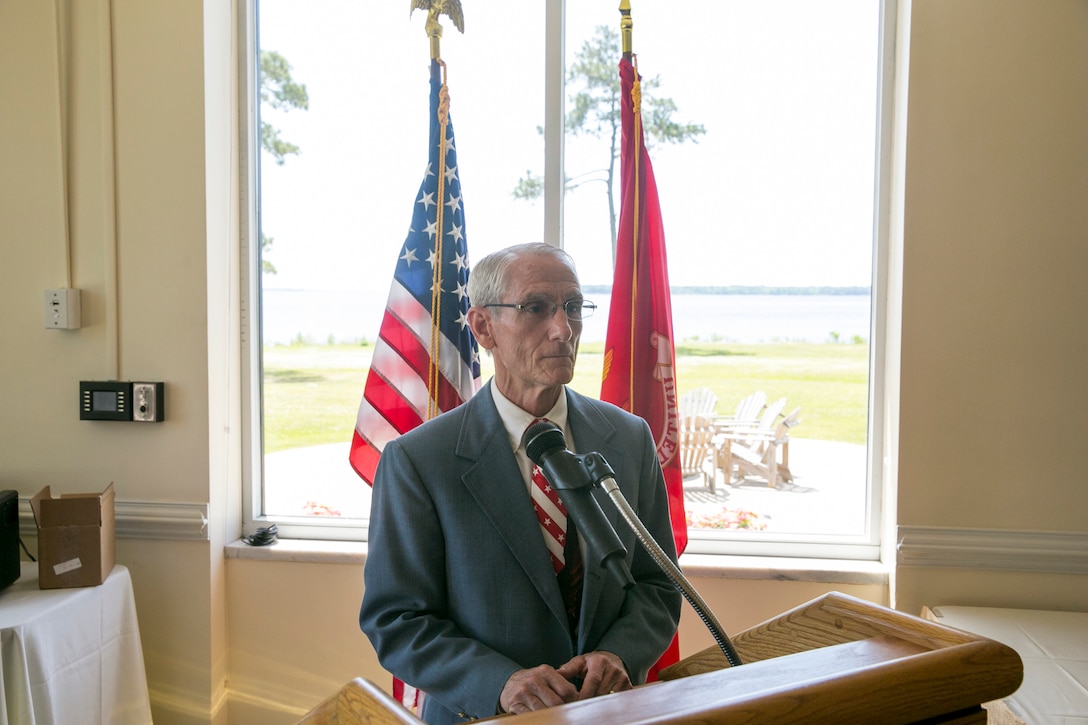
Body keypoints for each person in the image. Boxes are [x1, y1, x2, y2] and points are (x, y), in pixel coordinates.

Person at [359, 242, 681, 725]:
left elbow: (657, 583)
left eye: (572, 307)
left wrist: (618, 654)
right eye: (536, 308)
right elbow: (396, 620)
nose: (562, 329)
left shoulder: (629, 439)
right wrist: (500, 682)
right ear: (483, 327)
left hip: (608, 713)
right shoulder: (418, 460)